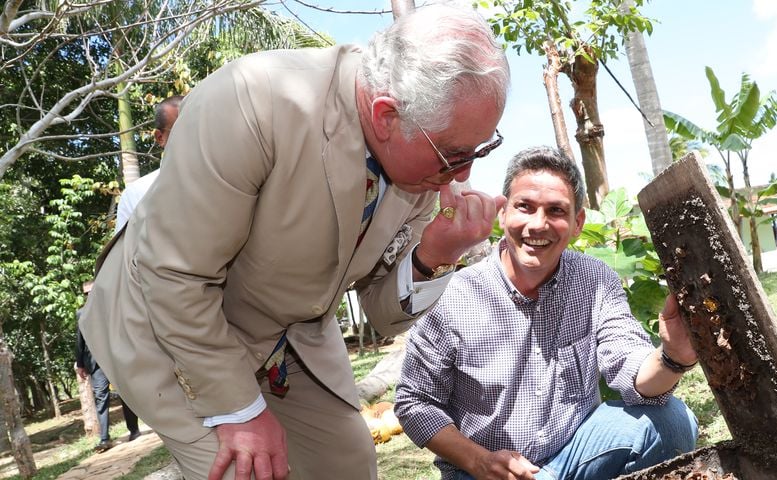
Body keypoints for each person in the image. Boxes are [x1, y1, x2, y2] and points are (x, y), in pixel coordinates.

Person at [79, 4, 510, 480]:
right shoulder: (252, 102)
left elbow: (381, 312)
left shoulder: (419, 170)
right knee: (245, 470)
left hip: (289, 334)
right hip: (165, 321)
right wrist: (239, 410)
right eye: (454, 154)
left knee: (348, 464)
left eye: (479, 150)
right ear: (387, 116)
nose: (465, 173)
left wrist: (436, 253)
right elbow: (176, 274)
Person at [395, 146, 699, 480]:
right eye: (524, 207)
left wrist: (673, 357)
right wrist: (480, 461)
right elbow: (415, 401)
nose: (538, 225)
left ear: (577, 223)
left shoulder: (594, 280)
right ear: (504, 213)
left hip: (575, 456)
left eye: (556, 211)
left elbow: (628, 364)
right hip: (485, 471)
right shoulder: (453, 296)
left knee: (672, 420)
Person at [75, 281, 140, 453]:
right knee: (101, 399)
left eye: (92, 292)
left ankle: (134, 430)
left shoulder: (112, 307)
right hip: (96, 364)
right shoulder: (81, 313)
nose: (89, 296)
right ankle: (104, 438)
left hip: (115, 358)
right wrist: (80, 364)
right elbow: (79, 341)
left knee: (125, 394)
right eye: (86, 293)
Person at [115, 94, 184, 231]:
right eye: (180, 130)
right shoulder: (137, 193)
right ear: (160, 137)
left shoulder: (224, 182)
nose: (191, 135)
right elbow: (126, 251)